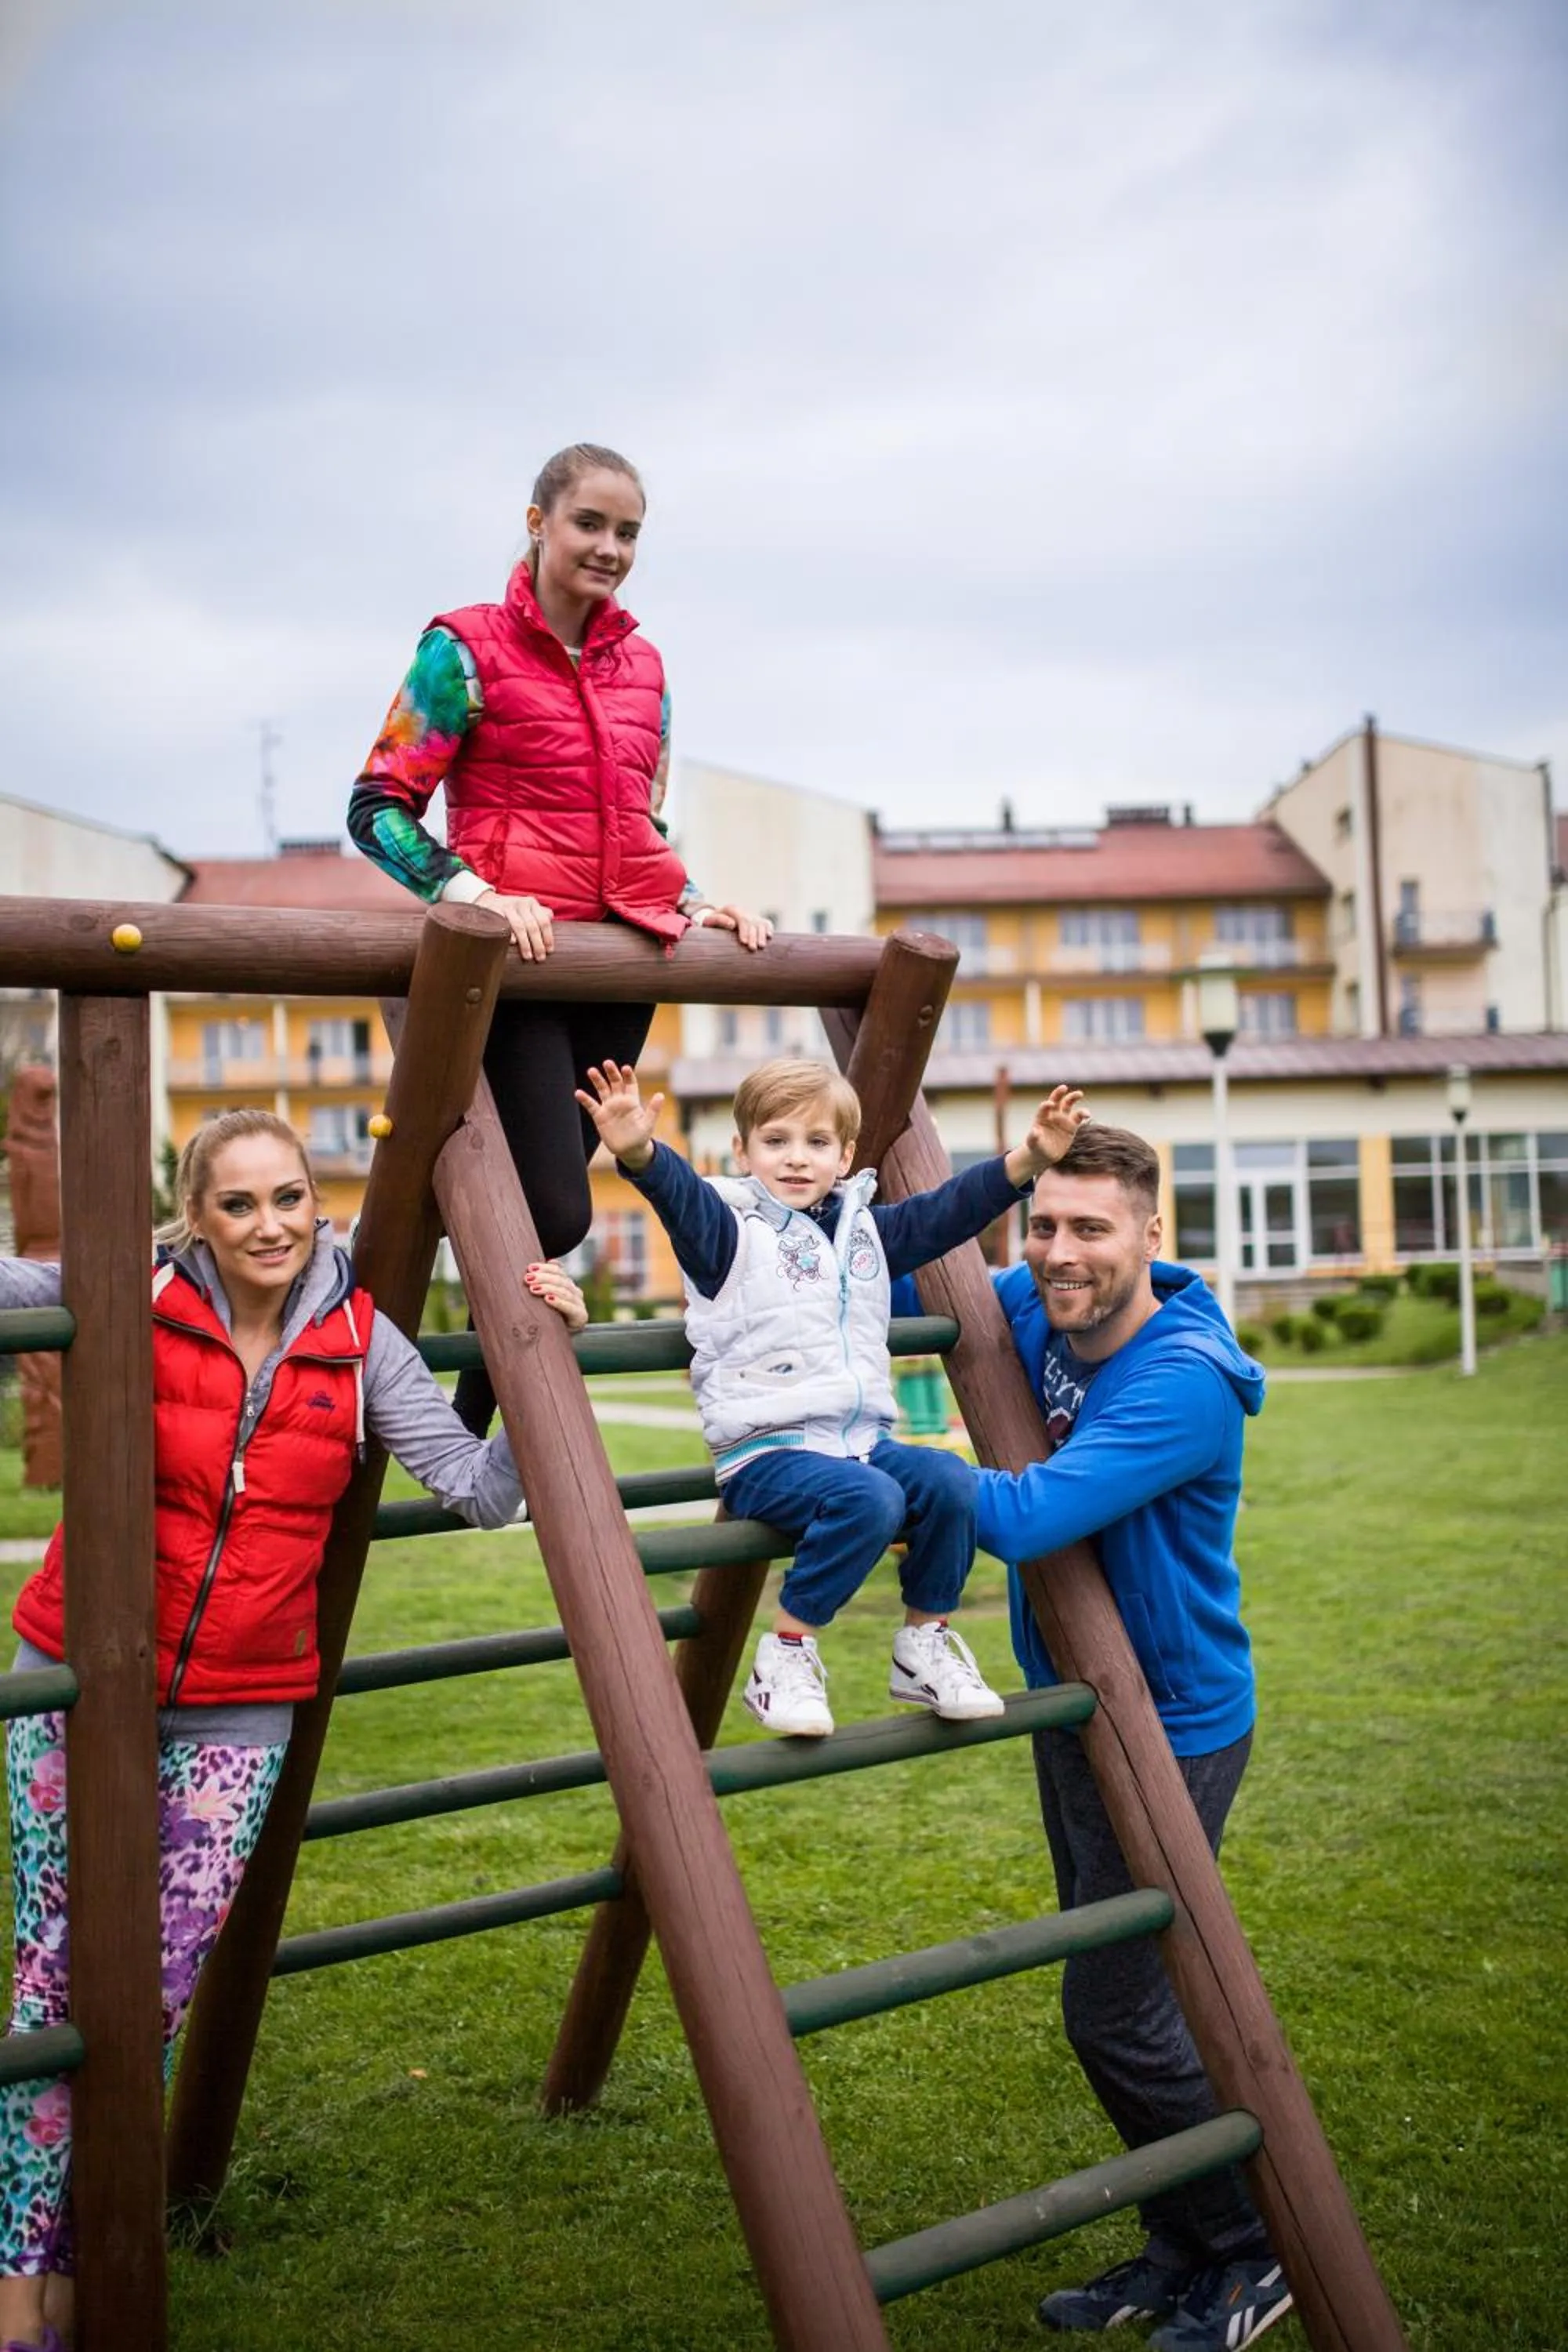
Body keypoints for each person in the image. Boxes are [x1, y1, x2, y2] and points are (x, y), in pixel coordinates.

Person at [0, 1110, 586, 2352]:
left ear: (318, 1204)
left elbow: (481, 1491)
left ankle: (88, 2265)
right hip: (77, 1677)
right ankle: (18, 2294)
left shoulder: (358, 1338)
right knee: (51, 1984)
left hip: (239, 1706)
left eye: (289, 1199)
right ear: (195, 1216)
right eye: (239, 1203)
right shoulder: (134, 1289)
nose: (269, 1225)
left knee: (151, 1998)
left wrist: (540, 1356)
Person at [347, 440, 771, 1436]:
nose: (609, 548)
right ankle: (461, 1421)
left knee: (528, 1212)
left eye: (628, 532)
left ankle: (460, 1434)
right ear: (537, 523)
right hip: (518, 966)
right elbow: (377, 808)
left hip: (619, 965)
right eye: (589, 523)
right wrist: (477, 896)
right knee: (557, 1211)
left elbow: (634, 823)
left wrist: (693, 899)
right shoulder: (461, 648)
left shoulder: (646, 668)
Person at [961, 1122, 1290, 2352]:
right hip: (1073, 1697)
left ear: (1153, 1233)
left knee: (1116, 2012)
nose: (1058, 1252)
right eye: (1042, 1224)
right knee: (1137, 2004)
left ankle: (1256, 2248)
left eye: (1091, 1228)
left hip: (1174, 1721)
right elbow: (890, 1271)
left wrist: (880, 1473)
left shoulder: (1182, 1378)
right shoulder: (1029, 1304)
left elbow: (1026, 1517)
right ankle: (1183, 2244)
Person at [575, 1055, 1089, 1738]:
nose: (796, 1157)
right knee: (870, 1499)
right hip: (768, 1451)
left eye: (817, 1142)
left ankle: (925, 1643)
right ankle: (786, 1653)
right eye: (776, 1140)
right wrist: (640, 1152)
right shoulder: (728, 1232)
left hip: (858, 1443)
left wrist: (1030, 1159)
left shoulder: (865, 1231)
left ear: (844, 1156)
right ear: (743, 1150)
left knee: (948, 1480)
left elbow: (948, 1211)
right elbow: (680, 1196)